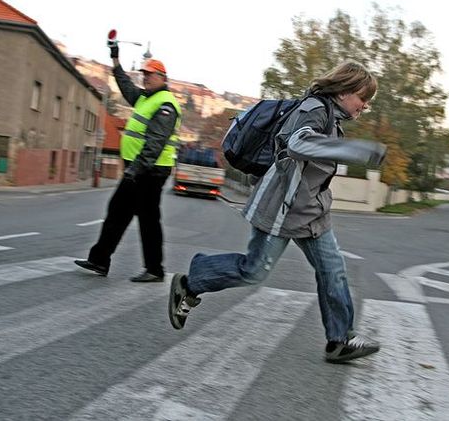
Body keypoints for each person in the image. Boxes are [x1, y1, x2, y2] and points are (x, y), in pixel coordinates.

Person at [168, 61, 386, 363]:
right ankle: (191, 281)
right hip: (282, 208)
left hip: (312, 212)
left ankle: (340, 339)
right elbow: (297, 143)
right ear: (346, 90)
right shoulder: (313, 109)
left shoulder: (332, 119)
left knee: (333, 271)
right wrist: (355, 151)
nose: (365, 105)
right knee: (253, 271)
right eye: (364, 98)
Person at [75, 39, 181, 283]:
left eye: (150, 75)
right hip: (139, 169)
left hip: (149, 171)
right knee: (119, 214)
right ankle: (101, 260)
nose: (145, 78)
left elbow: (155, 143)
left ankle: (152, 269)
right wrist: (115, 60)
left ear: (163, 77)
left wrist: (135, 170)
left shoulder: (165, 104)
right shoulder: (145, 98)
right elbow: (125, 86)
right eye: (144, 74)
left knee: (145, 218)